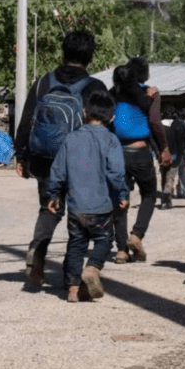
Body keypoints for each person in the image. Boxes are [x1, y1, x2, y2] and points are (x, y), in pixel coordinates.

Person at [14, 31, 108, 286]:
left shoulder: (44, 82)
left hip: (45, 158)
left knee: (50, 208)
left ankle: (38, 250)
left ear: (62, 54)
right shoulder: (96, 87)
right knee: (78, 215)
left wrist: (21, 155)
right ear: (90, 58)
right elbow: (104, 128)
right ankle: (71, 275)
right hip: (81, 159)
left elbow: (26, 120)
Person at [47, 91, 129, 302]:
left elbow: (58, 170)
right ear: (111, 118)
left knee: (76, 244)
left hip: (75, 206)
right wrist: (122, 193)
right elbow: (116, 172)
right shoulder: (111, 140)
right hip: (100, 206)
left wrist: (54, 194)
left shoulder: (70, 138)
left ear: (83, 113)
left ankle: (73, 289)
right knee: (104, 239)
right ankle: (92, 268)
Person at [110, 62, 170, 264]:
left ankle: (121, 250)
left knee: (120, 198)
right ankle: (136, 235)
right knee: (150, 194)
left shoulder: (112, 94)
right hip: (139, 151)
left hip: (117, 152)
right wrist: (163, 148)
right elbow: (154, 121)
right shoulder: (148, 93)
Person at [159, 112, 185, 209]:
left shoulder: (158, 125)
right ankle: (167, 195)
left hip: (161, 154)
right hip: (175, 154)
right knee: (170, 175)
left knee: (164, 175)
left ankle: (165, 199)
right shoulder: (179, 124)